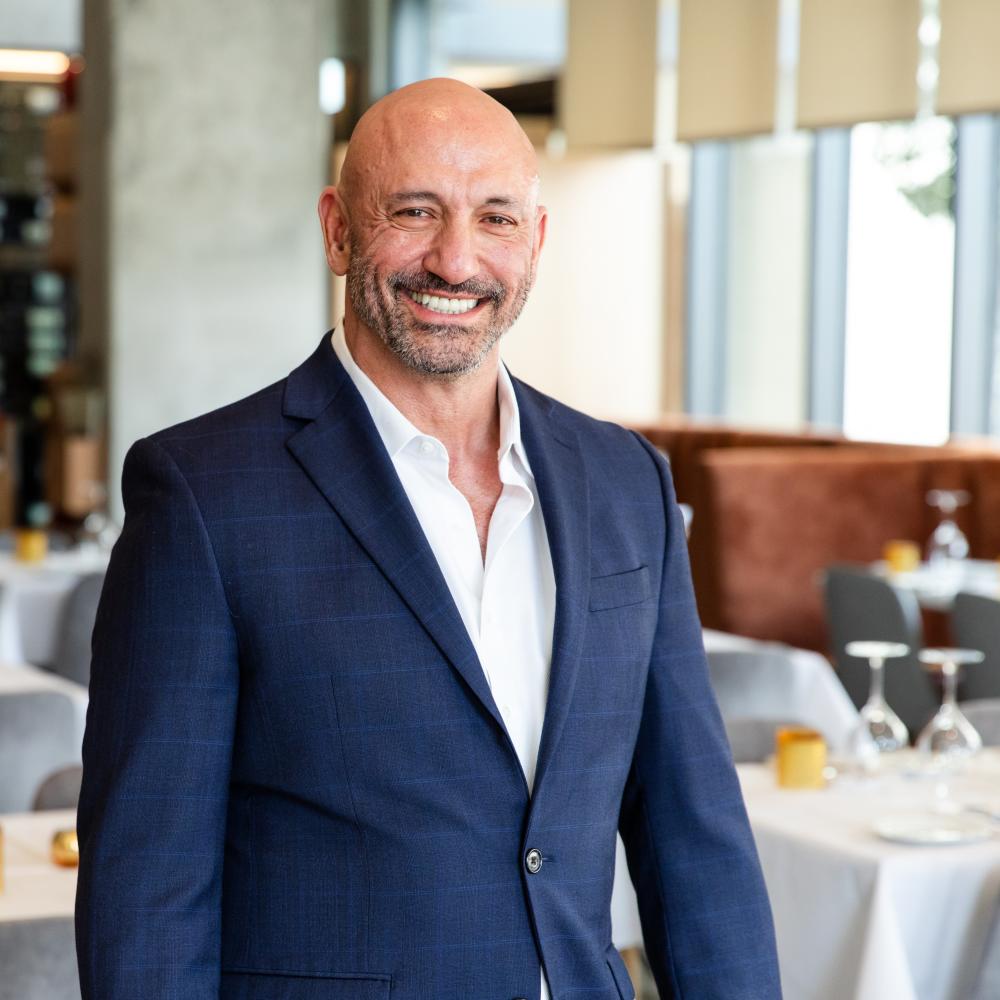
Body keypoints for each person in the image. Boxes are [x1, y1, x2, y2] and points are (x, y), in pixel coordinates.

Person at [76, 78, 781, 1000]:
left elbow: (697, 839)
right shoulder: (202, 494)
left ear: (535, 241)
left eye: (496, 218)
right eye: (414, 211)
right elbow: (147, 889)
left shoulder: (627, 482)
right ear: (338, 231)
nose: (456, 260)